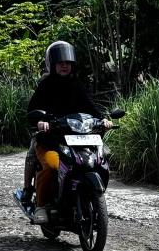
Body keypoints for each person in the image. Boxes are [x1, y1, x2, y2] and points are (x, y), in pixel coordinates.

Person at [22, 41, 111, 224]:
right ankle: (41, 205)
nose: (64, 66)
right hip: (51, 140)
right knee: (52, 166)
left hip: (78, 140)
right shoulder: (45, 86)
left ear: (73, 65)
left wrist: (103, 120)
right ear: (52, 65)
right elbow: (32, 111)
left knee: (99, 161)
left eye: (67, 63)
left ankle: (86, 197)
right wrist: (40, 122)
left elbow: (91, 107)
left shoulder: (77, 85)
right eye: (60, 63)